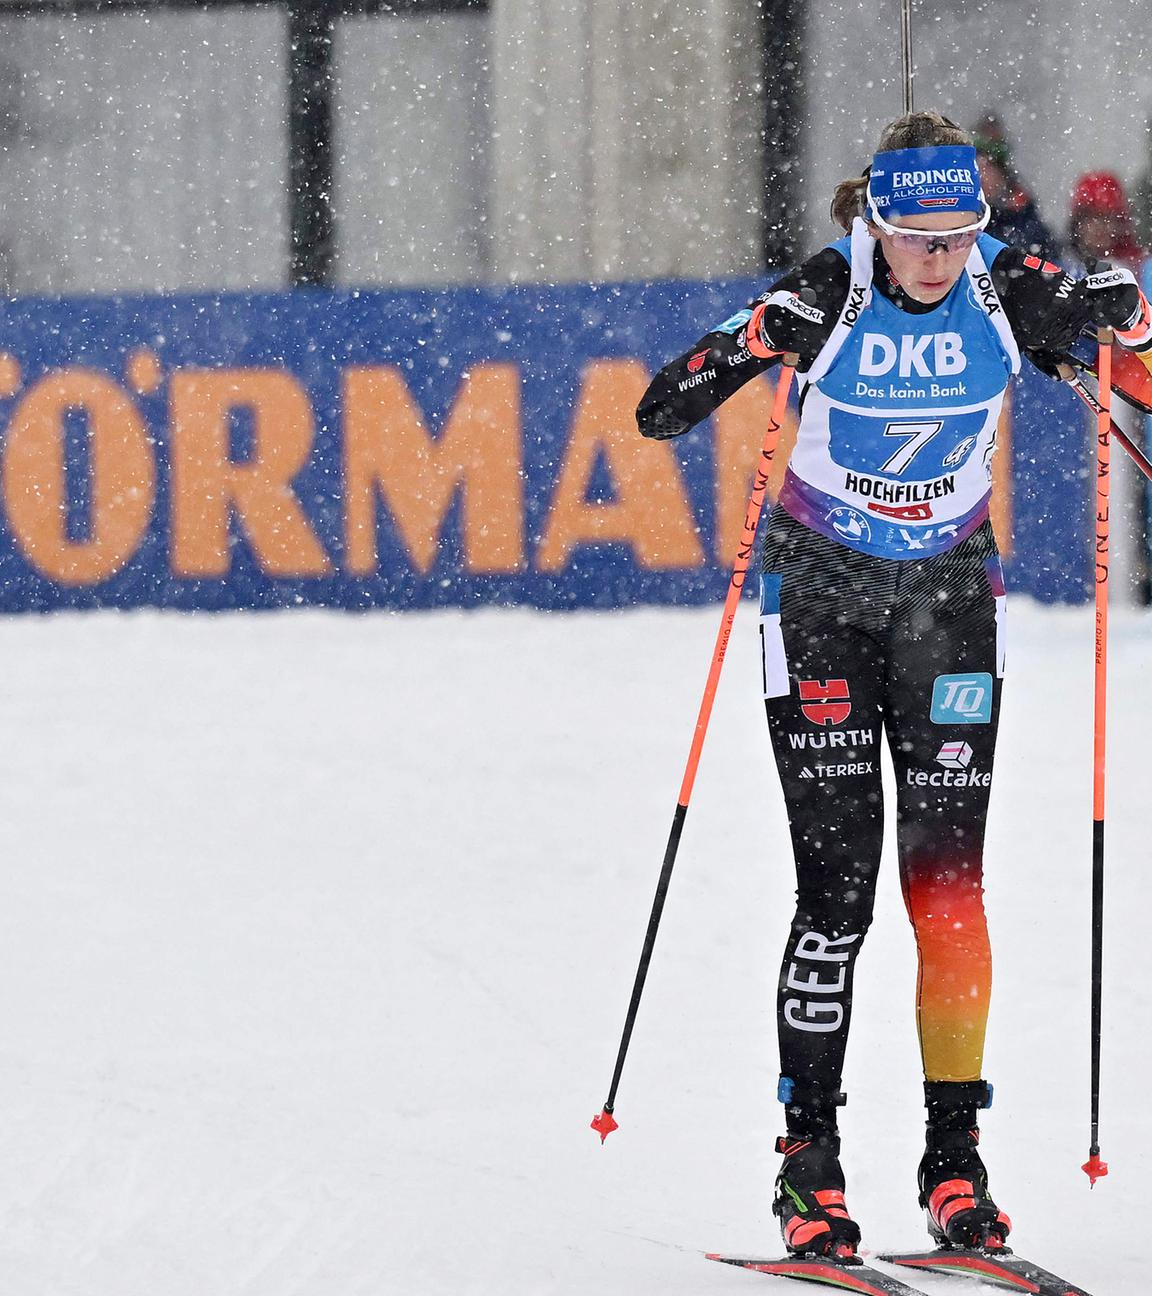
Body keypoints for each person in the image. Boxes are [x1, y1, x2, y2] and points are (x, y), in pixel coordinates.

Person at [636, 111, 1152, 1260]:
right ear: (874, 219)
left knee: (949, 895)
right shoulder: (830, 290)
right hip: (820, 610)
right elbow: (661, 406)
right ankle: (808, 1167)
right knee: (836, 896)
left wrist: (1132, 319)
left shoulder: (1010, 288)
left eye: (957, 233)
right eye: (915, 235)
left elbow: (1147, 383)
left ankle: (954, 1165)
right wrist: (755, 339)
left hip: (950, 612)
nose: (936, 259)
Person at [971, 119, 1061, 259]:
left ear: (1002, 173)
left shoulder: (1024, 218)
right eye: (977, 168)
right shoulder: (962, 218)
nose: (982, 176)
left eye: (988, 168)